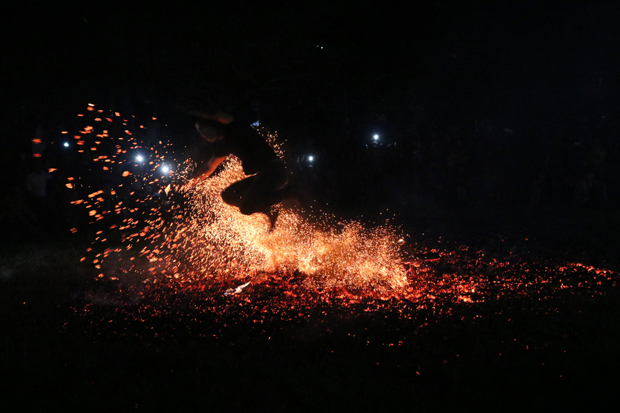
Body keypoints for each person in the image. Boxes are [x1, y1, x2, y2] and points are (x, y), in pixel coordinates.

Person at [187, 110, 295, 229]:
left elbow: (223, 116)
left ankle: (292, 191)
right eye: (200, 133)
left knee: (246, 208)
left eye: (204, 129)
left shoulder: (235, 128)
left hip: (275, 171)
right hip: (263, 175)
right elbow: (209, 167)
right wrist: (190, 183)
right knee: (228, 196)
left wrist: (191, 111)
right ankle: (268, 209)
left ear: (213, 124)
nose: (204, 134)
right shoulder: (224, 145)